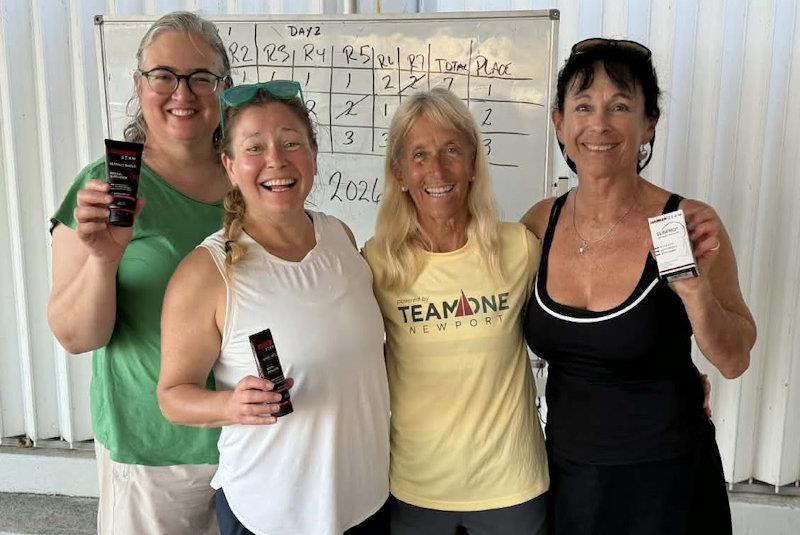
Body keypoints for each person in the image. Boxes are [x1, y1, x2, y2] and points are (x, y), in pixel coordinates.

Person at [522, 38, 757, 534]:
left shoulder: (688, 223)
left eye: (621, 107)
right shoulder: (540, 224)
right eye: (583, 107)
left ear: (649, 123)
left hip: (668, 484)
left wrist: (695, 292)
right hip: (568, 480)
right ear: (559, 124)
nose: (600, 124)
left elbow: (734, 359)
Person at [157, 80, 391, 535]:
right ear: (229, 165)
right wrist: (231, 404)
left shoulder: (340, 237)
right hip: (271, 512)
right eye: (254, 148)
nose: (276, 162)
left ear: (314, 155)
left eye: (290, 144)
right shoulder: (207, 272)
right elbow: (172, 397)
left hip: (365, 501)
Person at [47, 12, 231, 534]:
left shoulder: (252, 178)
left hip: (249, 438)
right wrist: (104, 259)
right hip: (154, 451)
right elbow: (75, 336)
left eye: (201, 77)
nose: (183, 92)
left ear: (223, 88)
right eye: (164, 75)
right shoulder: (104, 187)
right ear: (138, 84)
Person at [362, 87, 549, 535]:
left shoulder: (518, 248)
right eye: (419, 155)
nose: (437, 170)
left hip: (512, 485)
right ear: (400, 173)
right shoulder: (377, 261)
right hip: (417, 485)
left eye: (451, 151)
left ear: (472, 164)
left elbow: (579, 320)